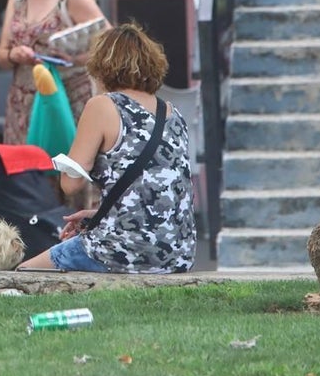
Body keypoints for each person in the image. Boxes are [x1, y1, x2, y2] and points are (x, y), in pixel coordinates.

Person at [19, 23, 196, 273]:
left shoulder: (102, 106)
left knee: (24, 273)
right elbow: (158, 188)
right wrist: (100, 213)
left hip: (121, 251)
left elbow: (71, 185)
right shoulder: (172, 112)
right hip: (178, 255)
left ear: (102, 66)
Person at [0, 0, 108, 145]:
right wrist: (13, 55)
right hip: (23, 107)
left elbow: (113, 47)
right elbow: (1, 55)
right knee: (25, 167)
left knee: (64, 164)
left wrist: (75, 60)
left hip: (66, 103)